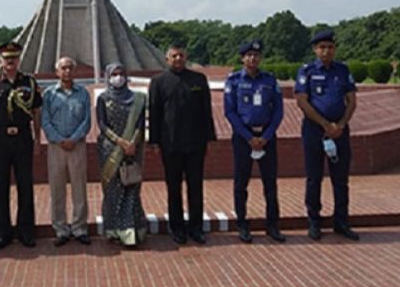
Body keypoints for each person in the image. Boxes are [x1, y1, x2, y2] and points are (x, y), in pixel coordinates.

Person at [295, 30, 360, 241]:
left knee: (340, 179)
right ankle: (314, 221)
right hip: (315, 131)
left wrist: (340, 125)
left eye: (330, 47)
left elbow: (351, 100)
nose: (326, 51)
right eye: (322, 47)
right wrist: (325, 125)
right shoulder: (307, 71)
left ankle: (341, 221)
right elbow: (303, 101)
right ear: (315, 49)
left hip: (340, 131)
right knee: (314, 178)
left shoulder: (342, 70)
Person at [148, 43, 215, 245]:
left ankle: (196, 227)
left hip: (196, 143)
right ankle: (176, 227)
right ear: (167, 59)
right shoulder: (159, 82)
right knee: (173, 187)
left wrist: (209, 138)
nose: (178, 59)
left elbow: (206, 111)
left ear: (186, 58)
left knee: (196, 186)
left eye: (181, 55)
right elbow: (154, 112)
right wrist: (154, 141)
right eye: (174, 56)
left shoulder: (198, 79)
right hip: (170, 144)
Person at [0, 41, 43, 250]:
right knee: (1, 187)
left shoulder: (29, 82)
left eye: (14, 58)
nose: (10, 62)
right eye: (7, 59)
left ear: (19, 60)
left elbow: (36, 112)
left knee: (25, 186)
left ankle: (26, 232)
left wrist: (38, 140)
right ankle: (3, 233)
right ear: (0, 60)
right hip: (0, 139)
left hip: (23, 138)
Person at [224, 40, 285, 243]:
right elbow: (230, 112)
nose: (252, 59)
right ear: (242, 58)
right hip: (244, 138)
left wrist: (265, 136)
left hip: (267, 137)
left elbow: (278, 111)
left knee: (270, 183)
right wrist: (249, 137)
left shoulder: (269, 80)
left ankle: (273, 225)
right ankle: (242, 224)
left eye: (256, 55)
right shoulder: (233, 81)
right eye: (248, 55)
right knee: (241, 183)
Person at [41, 56, 91, 246]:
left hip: (77, 145)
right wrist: (60, 139)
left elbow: (87, 120)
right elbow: (45, 120)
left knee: (79, 188)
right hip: (56, 147)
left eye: (70, 68)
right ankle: (61, 229)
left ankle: (79, 228)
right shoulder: (49, 94)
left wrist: (74, 138)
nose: (67, 72)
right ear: (57, 72)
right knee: (57, 189)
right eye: (63, 68)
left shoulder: (83, 93)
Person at [96, 62, 147, 247]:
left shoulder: (138, 99)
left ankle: (132, 231)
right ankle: (113, 229)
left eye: (121, 73)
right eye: (114, 74)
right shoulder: (103, 99)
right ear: (108, 77)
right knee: (113, 190)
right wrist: (120, 142)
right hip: (110, 150)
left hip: (134, 150)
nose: (118, 77)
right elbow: (102, 125)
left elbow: (141, 123)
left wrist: (133, 142)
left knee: (131, 188)